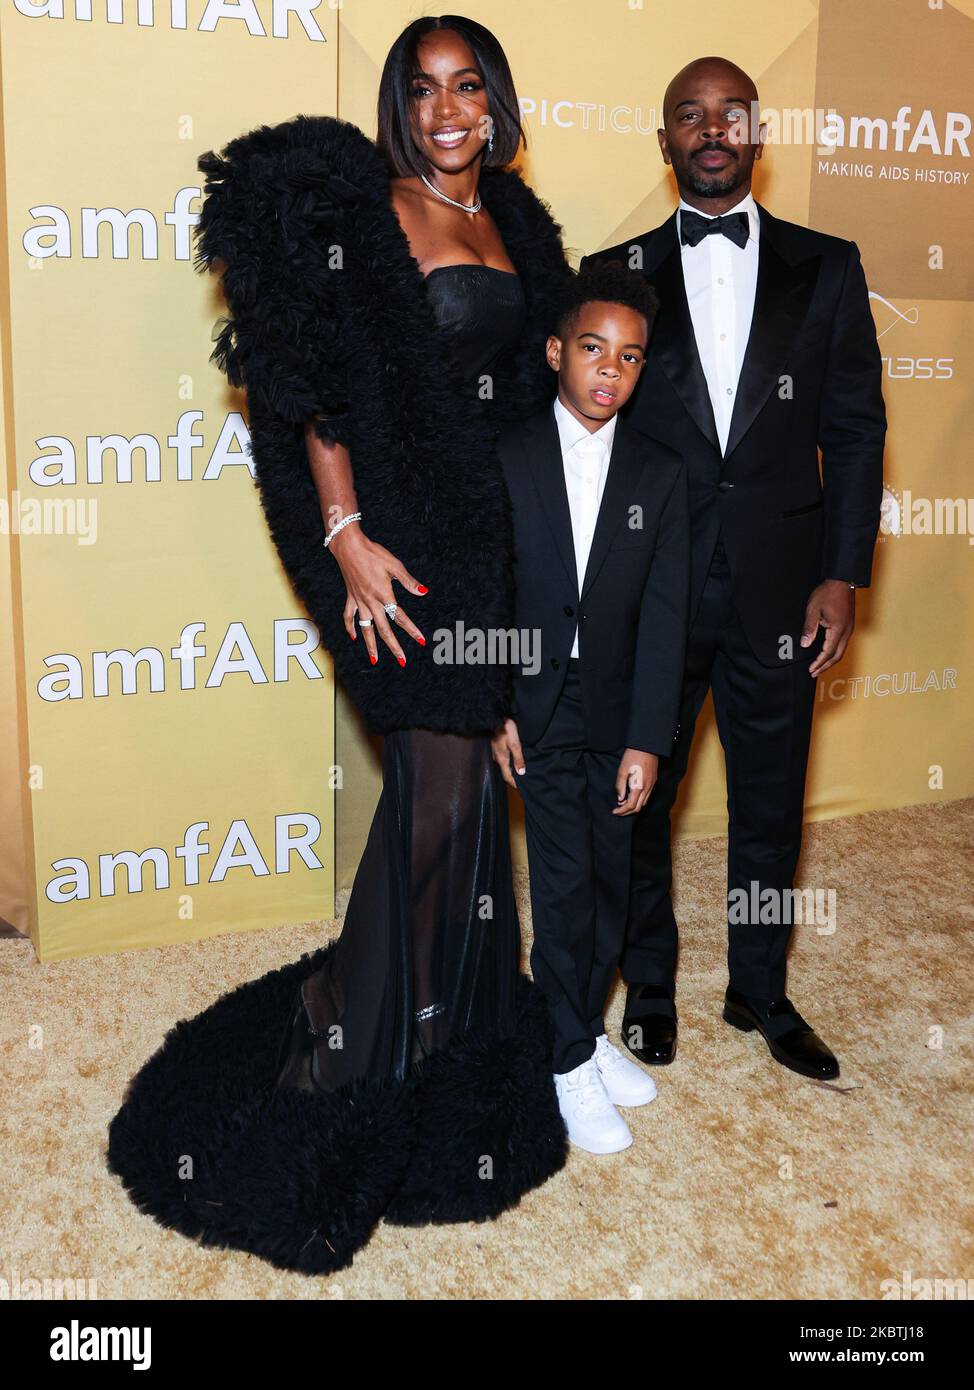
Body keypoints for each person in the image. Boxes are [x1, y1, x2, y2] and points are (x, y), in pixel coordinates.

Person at [107, 15, 573, 1277]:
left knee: (468, 788)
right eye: (419, 89)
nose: (443, 109)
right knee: (431, 794)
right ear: (395, 103)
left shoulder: (519, 228)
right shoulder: (368, 208)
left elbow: (530, 404)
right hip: (390, 538)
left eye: (465, 85)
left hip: (479, 544)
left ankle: (441, 1024)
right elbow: (307, 371)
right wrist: (345, 529)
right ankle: (351, 1040)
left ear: (495, 99)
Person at [581, 56, 886, 1079]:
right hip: (649, 592)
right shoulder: (613, 272)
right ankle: (650, 985)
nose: (709, 131)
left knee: (769, 799)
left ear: (758, 134)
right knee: (637, 797)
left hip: (779, 588)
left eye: (728, 115)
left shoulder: (826, 265)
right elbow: (590, 440)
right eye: (687, 116)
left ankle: (758, 989)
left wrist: (842, 571)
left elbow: (850, 428)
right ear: (661, 140)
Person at [492, 263, 690, 1153]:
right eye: (592, 350)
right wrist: (492, 703)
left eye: (630, 357)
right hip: (536, 703)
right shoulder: (507, 453)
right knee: (565, 888)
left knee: (613, 887)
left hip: (619, 712)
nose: (609, 371)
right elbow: (484, 591)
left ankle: (584, 1025)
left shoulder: (660, 472)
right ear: (554, 353)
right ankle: (567, 1057)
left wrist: (650, 737)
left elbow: (666, 618)